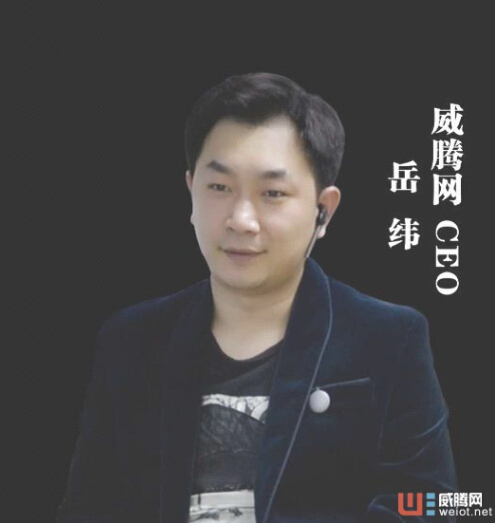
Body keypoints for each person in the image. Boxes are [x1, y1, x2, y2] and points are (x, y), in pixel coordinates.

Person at [56, 72, 457, 523]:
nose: (241, 220)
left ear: (323, 211)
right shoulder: (130, 341)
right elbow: (88, 508)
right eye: (219, 187)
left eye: (272, 194)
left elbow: (434, 505)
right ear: (191, 190)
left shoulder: (389, 339)